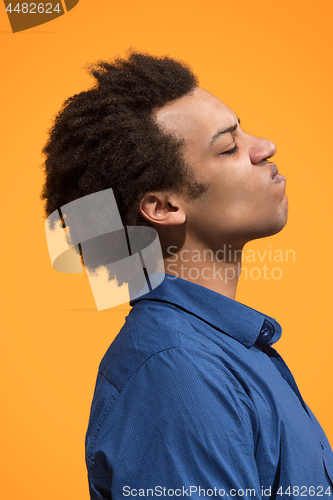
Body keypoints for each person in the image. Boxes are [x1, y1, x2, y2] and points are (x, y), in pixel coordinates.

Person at [41, 49, 333, 499]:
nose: (265, 147)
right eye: (229, 147)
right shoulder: (177, 375)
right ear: (163, 207)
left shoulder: (223, 352)